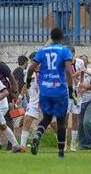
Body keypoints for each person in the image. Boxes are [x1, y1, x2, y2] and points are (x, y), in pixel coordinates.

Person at [25, 27, 75, 158]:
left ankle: (37, 134)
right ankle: (61, 153)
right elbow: (69, 72)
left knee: (47, 118)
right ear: (62, 38)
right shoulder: (65, 51)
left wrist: (28, 81)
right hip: (59, 90)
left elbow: (31, 67)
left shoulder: (42, 51)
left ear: (51, 37)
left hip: (45, 91)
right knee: (61, 121)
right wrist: (70, 90)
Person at [18, 52, 41, 150]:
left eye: (36, 61)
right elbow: (26, 85)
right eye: (33, 62)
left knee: (53, 124)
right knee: (27, 119)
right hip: (33, 101)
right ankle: (22, 146)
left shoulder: (47, 71)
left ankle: (61, 142)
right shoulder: (29, 71)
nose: (35, 64)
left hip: (47, 100)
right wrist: (20, 97)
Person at [78, 54, 91, 150]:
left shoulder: (89, 71)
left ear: (87, 62)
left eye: (84, 60)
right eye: (80, 60)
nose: (82, 62)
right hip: (80, 100)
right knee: (80, 123)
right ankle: (83, 144)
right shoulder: (77, 72)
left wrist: (87, 72)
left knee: (87, 122)